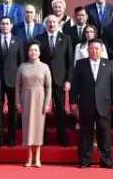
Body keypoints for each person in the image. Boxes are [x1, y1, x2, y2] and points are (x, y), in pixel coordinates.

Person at [70, 38, 113, 169]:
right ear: (88, 50)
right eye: (91, 48)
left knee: (105, 133)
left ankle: (106, 161)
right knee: (86, 134)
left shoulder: (108, 64)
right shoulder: (80, 64)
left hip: (104, 103)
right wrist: (73, 101)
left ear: (101, 50)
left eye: (97, 48)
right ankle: (84, 161)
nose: (94, 51)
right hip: (86, 103)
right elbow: (75, 85)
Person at [0, 16, 25, 146]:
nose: (5, 26)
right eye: (2, 24)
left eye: (7, 24)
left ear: (11, 26)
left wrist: (21, 81)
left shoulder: (18, 41)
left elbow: (21, 63)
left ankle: (11, 137)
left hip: (13, 81)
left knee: (13, 111)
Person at [39, 15, 74, 146]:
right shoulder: (39, 39)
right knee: (42, 109)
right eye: (49, 22)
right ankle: (42, 138)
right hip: (43, 81)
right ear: (45, 24)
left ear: (58, 24)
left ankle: (62, 137)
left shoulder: (66, 39)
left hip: (60, 80)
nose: (52, 24)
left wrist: (68, 80)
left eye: (54, 22)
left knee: (60, 109)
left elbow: (70, 62)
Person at [16, 42, 52, 167]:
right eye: (31, 50)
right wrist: (18, 102)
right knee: (28, 129)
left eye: (36, 50)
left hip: (40, 100)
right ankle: (29, 157)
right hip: (26, 99)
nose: (33, 52)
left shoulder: (45, 67)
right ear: (28, 52)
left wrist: (47, 103)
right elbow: (18, 86)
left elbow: (48, 87)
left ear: (39, 52)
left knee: (38, 129)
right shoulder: (22, 67)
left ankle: (37, 158)